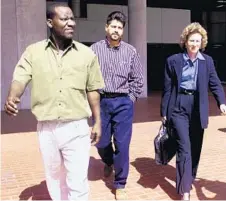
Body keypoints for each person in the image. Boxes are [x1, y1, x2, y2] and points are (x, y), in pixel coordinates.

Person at [4, 3, 105, 200]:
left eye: (72, 19)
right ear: (50, 22)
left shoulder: (86, 54)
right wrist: (12, 97)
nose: (71, 23)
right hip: (47, 128)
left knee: (77, 181)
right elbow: (20, 77)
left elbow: (93, 90)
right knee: (55, 179)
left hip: (76, 127)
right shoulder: (34, 52)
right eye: (64, 19)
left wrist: (98, 121)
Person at [160, 22, 226, 200]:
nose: (194, 44)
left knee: (195, 148)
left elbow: (215, 83)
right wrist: (164, 111)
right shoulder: (173, 61)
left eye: (198, 41)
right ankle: (185, 190)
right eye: (191, 40)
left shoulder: (207, 62)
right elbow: (167, 88)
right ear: (185, 41)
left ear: (202, 42)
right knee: (185, 148)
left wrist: (222, 103)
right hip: (179, 105)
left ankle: (189, 178)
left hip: (198, 107)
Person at [90, 11, 144, 200]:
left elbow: (138, 79)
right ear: (106, 28)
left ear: (123, 31)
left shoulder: (130, 51)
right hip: (102, 102)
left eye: (119, 28)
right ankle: (108, 160)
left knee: (122, 144)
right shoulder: (94, 50)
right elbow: (87, 77)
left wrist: (131, 98)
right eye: (113, 26)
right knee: (101, 141)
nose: (116, 30)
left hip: (123, 103)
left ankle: (120, 183)